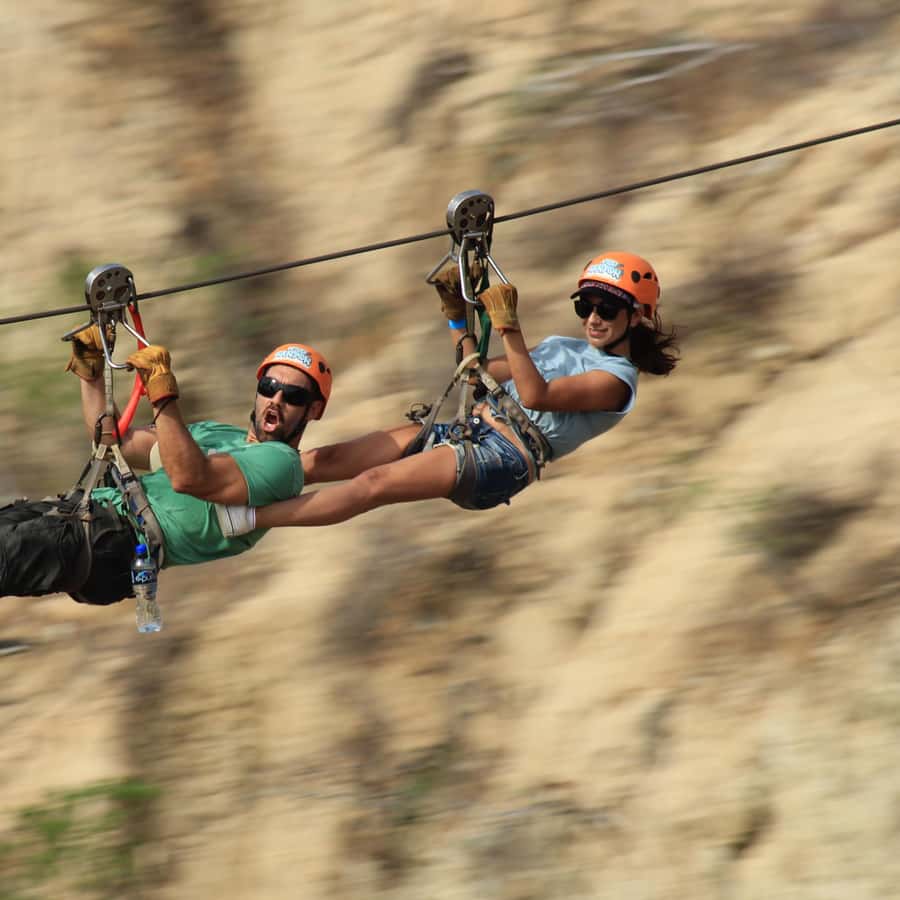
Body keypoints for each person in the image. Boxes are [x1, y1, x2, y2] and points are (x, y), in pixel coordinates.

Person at [216, 250, 678, 535]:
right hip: (470, 428)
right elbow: (476, 374)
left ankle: (248, 520)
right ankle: (235, 474)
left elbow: (535, 395)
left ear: (637, 315)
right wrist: (457, 315)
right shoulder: (562, 346)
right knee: (329, 459)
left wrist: (509, 328)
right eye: (585, 306)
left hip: (502, 458)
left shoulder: (618, 382)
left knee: (373, 485)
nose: (593, 318)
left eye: (607, 309)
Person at [0, 332, 332, 605]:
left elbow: (189, 478)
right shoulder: (218, 434)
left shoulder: (281, 463)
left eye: (293, 396)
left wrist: (162, 395)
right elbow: (116, 441)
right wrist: (91, 371)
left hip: (115, 539)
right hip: (84, 514)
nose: (276, 400)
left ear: (313, 410)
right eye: (269, 387)